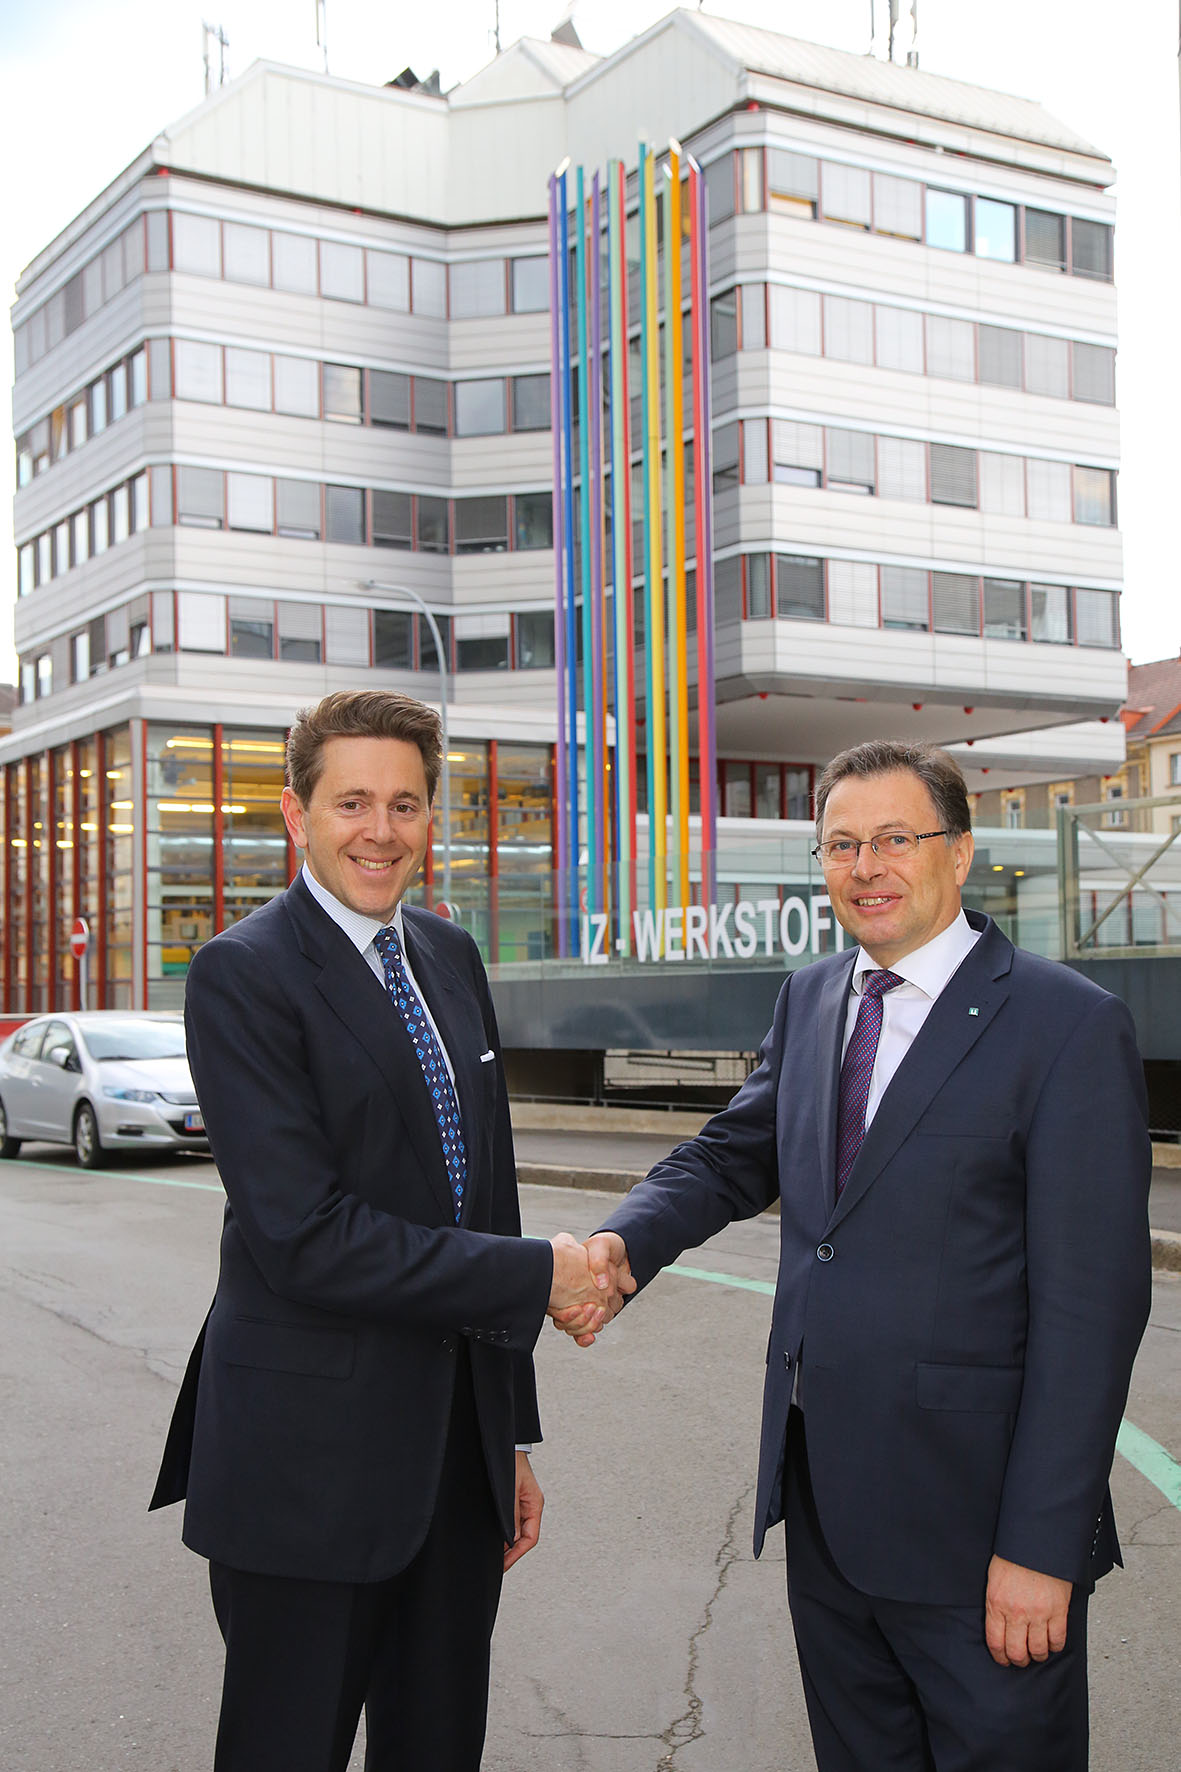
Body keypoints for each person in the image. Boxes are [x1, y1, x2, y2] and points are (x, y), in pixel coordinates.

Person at [561, 739, 1151, 1772]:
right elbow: (733, 1152)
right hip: (828, 1511)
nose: (865, 864)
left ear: (958, 853)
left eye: (893, 837)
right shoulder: (813, 996)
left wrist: (1038, 1546)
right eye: (841, 843)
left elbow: (1089, 1313)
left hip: (981, 1537)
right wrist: (621, 1242)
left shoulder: (1066, 1027)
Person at [151, 688, 625, 1772]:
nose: (380, 828)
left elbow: (486, 1192)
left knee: (437, 1747)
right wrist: (542, 1272)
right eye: (352, 800)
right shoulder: (244, 973)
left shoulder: (450, 957)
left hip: (454, 1463)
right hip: (304, 1468)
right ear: (295, 814)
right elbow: (304, 1234)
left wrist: (506, 1435)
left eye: (405, 803)